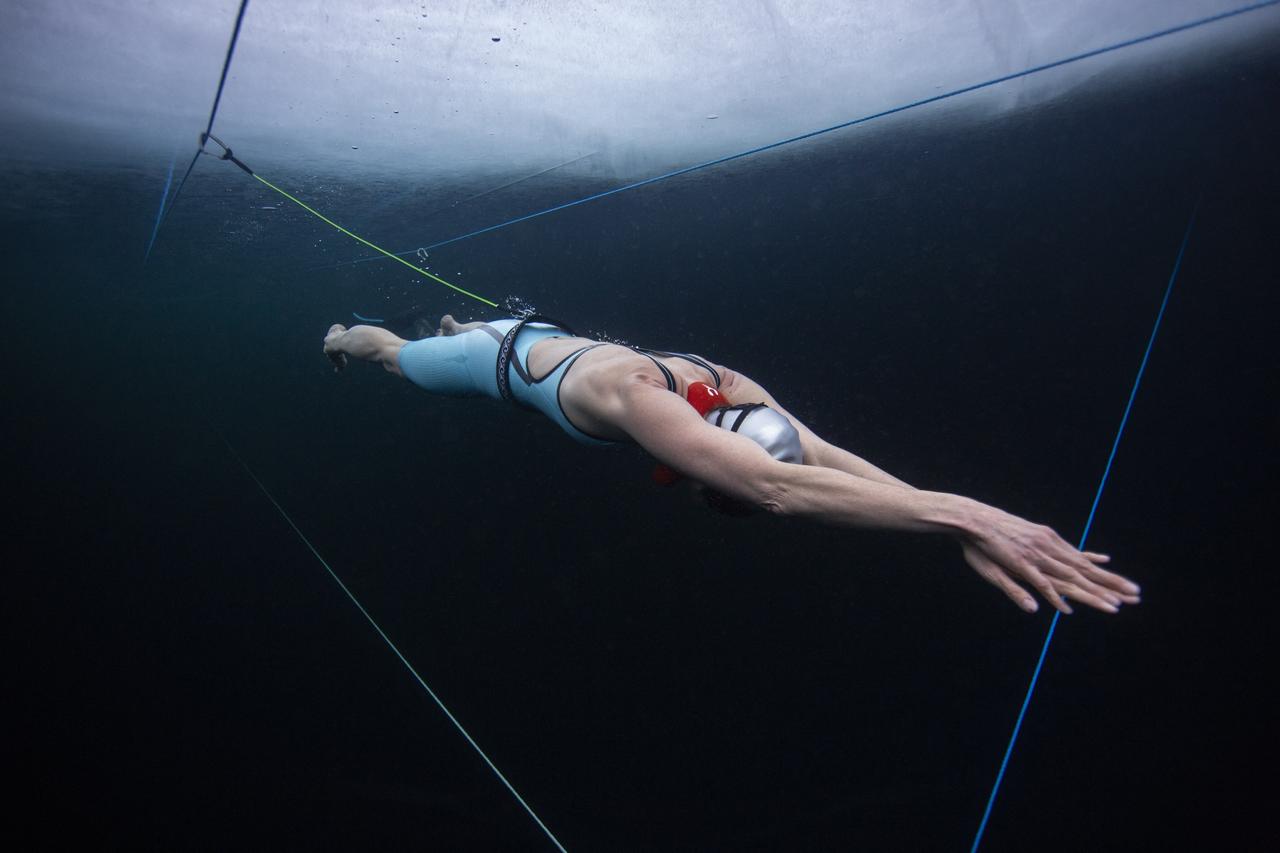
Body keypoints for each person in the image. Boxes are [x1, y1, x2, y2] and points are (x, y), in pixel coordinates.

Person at [322, 314, 1141, 616]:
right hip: (487, 365)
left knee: (452, 340)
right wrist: (965, 513)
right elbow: (779, 486)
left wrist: (941, 519)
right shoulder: (645, 401)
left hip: (531, 346)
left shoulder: (737, 390)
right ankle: (344, 336)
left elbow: (821, 455)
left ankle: (456, 327)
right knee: (399, 358)